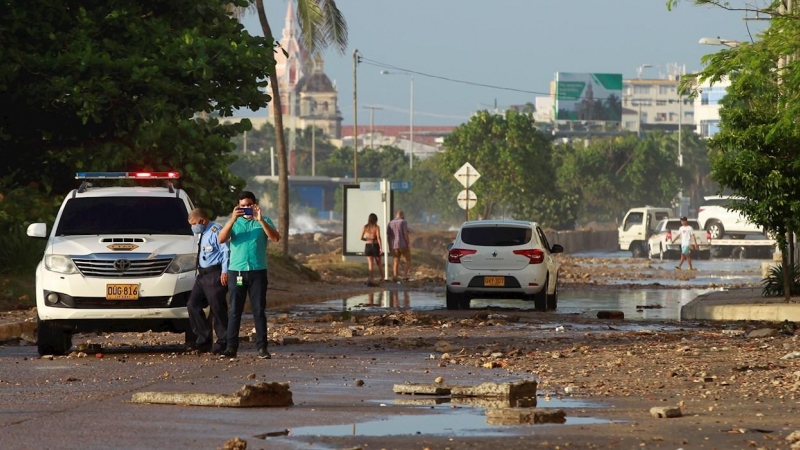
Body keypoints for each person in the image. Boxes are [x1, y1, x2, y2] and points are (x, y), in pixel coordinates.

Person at [218, 191, 281, 359]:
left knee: (258, 310)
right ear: (238, 206)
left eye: (249, 205)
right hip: (237, 272)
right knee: (235, 311)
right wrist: (232, 219)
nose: (246, 208)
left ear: (255, 204)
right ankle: (231, 347)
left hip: (257, 272)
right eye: (242, 205)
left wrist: (260, 220)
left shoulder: (264, 221)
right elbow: (221, 239)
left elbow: (275, 238)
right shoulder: (234, 222)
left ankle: (262, 348)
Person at [186, 208, 230, 354]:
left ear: (202, 221)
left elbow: (226, 251)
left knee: (217, 309)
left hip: (214, 274)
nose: (193, 227)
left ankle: (223, 342)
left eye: (194, 223)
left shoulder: (216, 230)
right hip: (202, 275)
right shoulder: (201, 233)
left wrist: (225, 271)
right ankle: (203, 339)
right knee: (193, 304)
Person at [387, 210, 411, 281]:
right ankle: (405, 276)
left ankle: (395, 276)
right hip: (403, 244)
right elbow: (405, 233)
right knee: (408, 260)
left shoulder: (390, 223)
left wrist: (389, 245)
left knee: (396, 261)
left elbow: (388, 235)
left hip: (394, 245)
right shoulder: (403, 222)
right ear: (402, 215)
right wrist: (408, 243)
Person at [361, 213, 383, 285]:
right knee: (379, 263)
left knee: (370, 264)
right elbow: (378, 237)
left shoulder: (365, 227)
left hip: (368, 246)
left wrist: (367, 240)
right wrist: (381, 247)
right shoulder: (376, 227)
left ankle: (371, 278)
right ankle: (382, 278)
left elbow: (361, 238)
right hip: (375, 245)